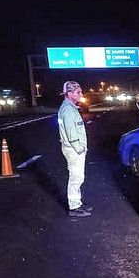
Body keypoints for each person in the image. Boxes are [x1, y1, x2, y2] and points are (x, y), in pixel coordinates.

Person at [58, 80, 91, 218]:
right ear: (69, 93)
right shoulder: (68, 110)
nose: (81, 94)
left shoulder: (70, 107)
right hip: (73, 149)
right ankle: (74, 207)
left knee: (78, 177)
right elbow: (71, 133)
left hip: (72, 148)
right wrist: (80, 149)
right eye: (78, 92)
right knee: (76, 177)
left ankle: (77, 203)